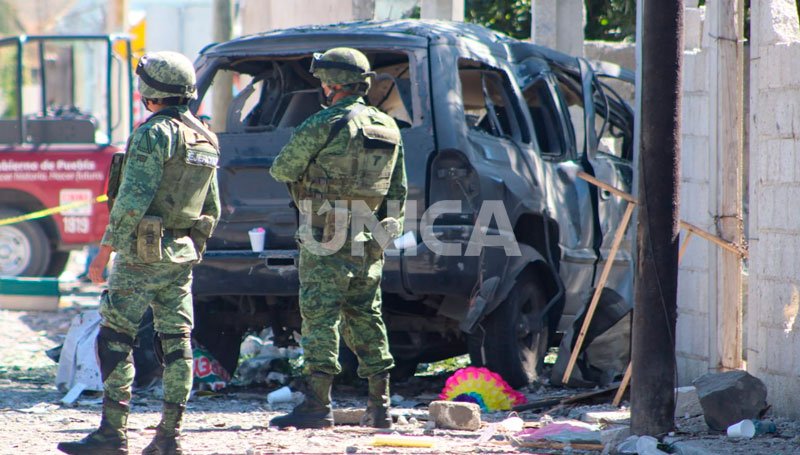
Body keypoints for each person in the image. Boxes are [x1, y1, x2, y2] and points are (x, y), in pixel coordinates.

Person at [57, 51, 221, 455]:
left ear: (150, 92)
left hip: (141, 253)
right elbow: (212, 208)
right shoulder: (205, 137)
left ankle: (113, 434)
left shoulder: (154, 133)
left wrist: (103, 254)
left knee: (115, 337)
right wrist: (187, 245)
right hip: (181, 255)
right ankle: (170, 437)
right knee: (177, 341)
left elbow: (131, 199)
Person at [269, 47, 407, 430]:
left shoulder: (322, 123)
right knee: (367, 315)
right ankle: (380, 408)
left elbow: (282, 168)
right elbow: (398, 191)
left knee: (320, 316)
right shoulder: (389, 126)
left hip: (324, 233)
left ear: (331, 85)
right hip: (369, 235)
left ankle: (317, 405)